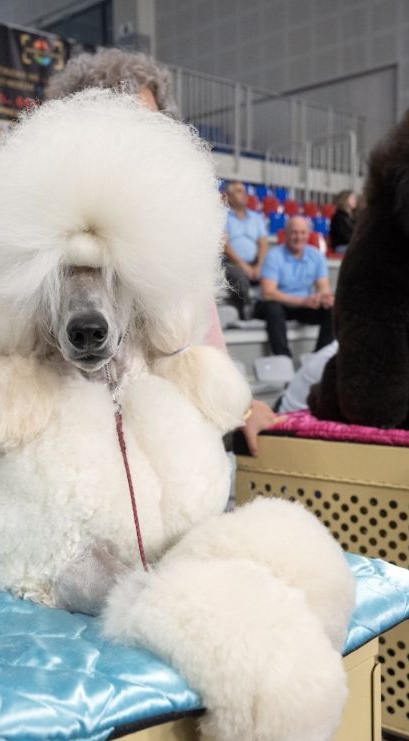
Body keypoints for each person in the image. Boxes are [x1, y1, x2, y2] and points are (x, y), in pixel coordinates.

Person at [44, 48, 279, 453]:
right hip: (73, 434)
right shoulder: (50, 225)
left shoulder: (174, 228)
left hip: (161, 436)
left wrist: (241, 407)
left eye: (153, 122)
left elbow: (199, 338)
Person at [255, 215, 335, 357]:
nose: (299, 237)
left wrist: (323, 298)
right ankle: (283, 357)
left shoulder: (317, 256)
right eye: (294, 232)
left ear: (308, 234)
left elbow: (324, 288)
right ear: (286, 234)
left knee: (332, 308)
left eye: (303, 232)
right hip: (278, 304)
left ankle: (320, 357)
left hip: (303, 305)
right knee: (273, 307)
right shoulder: (273, 256)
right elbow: (268, 293)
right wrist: (302, 301)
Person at [221, 181, 269, 318]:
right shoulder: (223, 217)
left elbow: (263, 244)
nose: (244, 194)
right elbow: (225, 245)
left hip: (255, 263)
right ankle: (248, 310)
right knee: (239, 276)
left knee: (274, 272)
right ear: (229, 196)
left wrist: (259, 265)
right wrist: (244, 266)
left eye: (244, 191)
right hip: (232, 263)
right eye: (239, 191)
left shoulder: (256, 217)